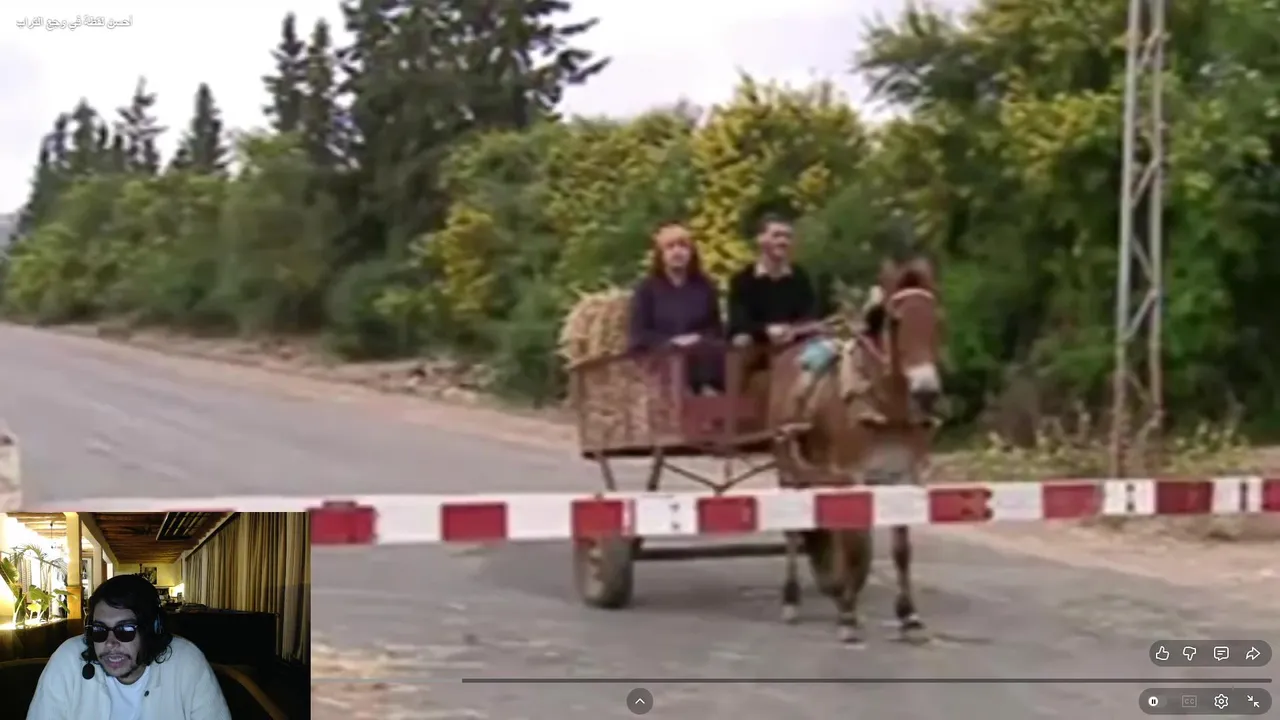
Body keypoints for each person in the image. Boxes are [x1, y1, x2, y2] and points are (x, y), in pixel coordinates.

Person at [26, 573, 231, 720]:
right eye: (99, 630)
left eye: (125, 630)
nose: (110, 643)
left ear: (152, 630)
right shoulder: (67, 661)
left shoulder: (187, 663)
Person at [627, 220, 725, 393]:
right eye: (670, 247)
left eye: (683, 246)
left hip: (700, 357)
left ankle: (708, 393)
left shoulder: (705, 286)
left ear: (691, 253)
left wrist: (697, 338)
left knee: (711, 350)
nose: (677, 252)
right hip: (660, 358)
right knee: (675, 357)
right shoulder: (646, 288)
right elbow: (639, 334)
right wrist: (672, 341)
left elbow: (716, 328)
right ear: (661, 255)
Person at [727, 214, 821, 350]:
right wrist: (767, 331)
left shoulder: (800, 277)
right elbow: (738, 323)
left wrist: (793, 331)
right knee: (740, 340)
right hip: (756, 348)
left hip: (795, 345)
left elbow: (810, 315)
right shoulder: (742, 280)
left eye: (788, 236)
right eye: (776, 235)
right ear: (760, 239)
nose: (783, 241)